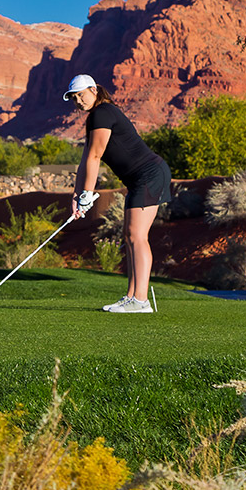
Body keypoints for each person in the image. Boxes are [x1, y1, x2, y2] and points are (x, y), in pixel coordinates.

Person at [65, 74, 171, 313]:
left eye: (81, 95)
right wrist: (77, 195)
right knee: (129, 235)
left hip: (149, 175)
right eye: (74, 98)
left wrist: (88, 195)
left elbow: (96, 156)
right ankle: (132, 297)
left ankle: (141, 301)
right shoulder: (95, 117)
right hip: (139, 179)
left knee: (137, 235)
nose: (78, 101)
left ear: (94, 90)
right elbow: (85, 161)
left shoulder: (103, 112)